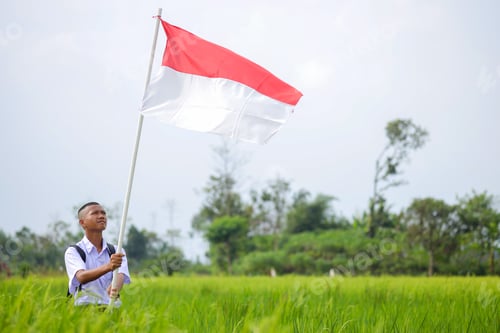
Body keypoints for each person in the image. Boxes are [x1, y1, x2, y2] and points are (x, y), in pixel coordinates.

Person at [64, 202, 131, 307]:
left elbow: (120, 275)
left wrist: (115, 286)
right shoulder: (74, 251)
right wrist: (109, 266)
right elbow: (81, 276)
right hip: (85, 309)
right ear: (82, 223)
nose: (101, 216)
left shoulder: (116, 250)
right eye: (95, 213)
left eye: (103, 213)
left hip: (111, 308)